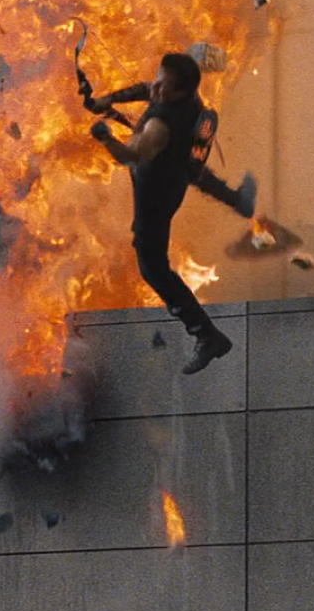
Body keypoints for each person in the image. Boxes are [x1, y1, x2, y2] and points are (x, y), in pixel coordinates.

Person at [87, 52, 250, 374]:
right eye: (158, 79)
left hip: (156, 194)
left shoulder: (160, 127)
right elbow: (145, 88)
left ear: (179, 92)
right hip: (175, 174)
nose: (155, 88)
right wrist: (108, 99)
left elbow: (130, 155)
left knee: (153, 268)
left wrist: (105, 137)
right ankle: (235, 199)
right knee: (193, 175)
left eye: (163, 86)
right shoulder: (187, 99)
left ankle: (206, 335)